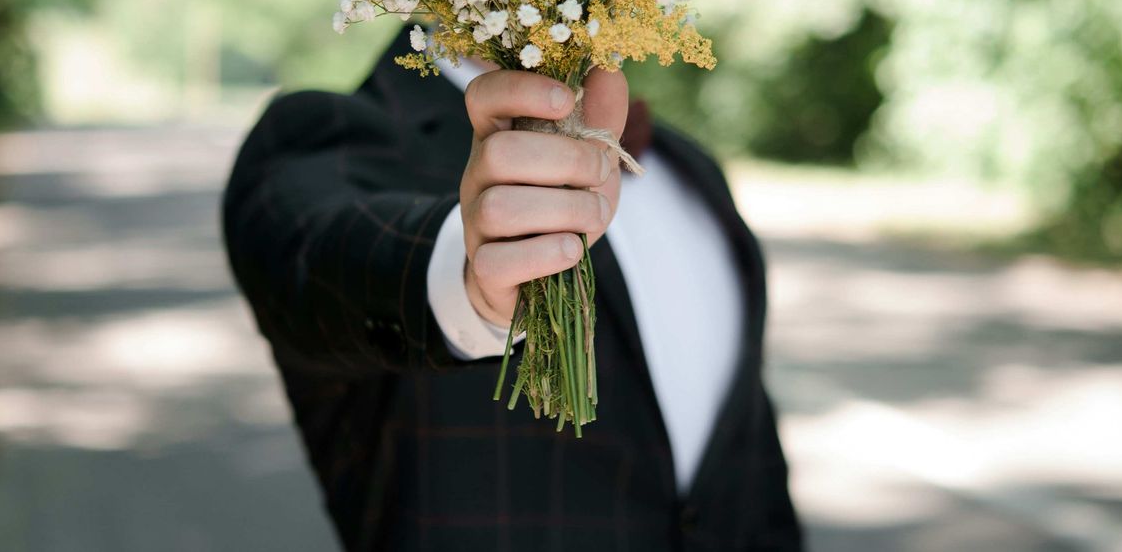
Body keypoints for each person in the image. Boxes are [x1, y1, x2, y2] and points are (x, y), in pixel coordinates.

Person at [221, 27, 803, 551]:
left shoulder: (687, 167)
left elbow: (749, 461)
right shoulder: (324, 139)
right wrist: (473, 273)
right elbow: (326, 258)